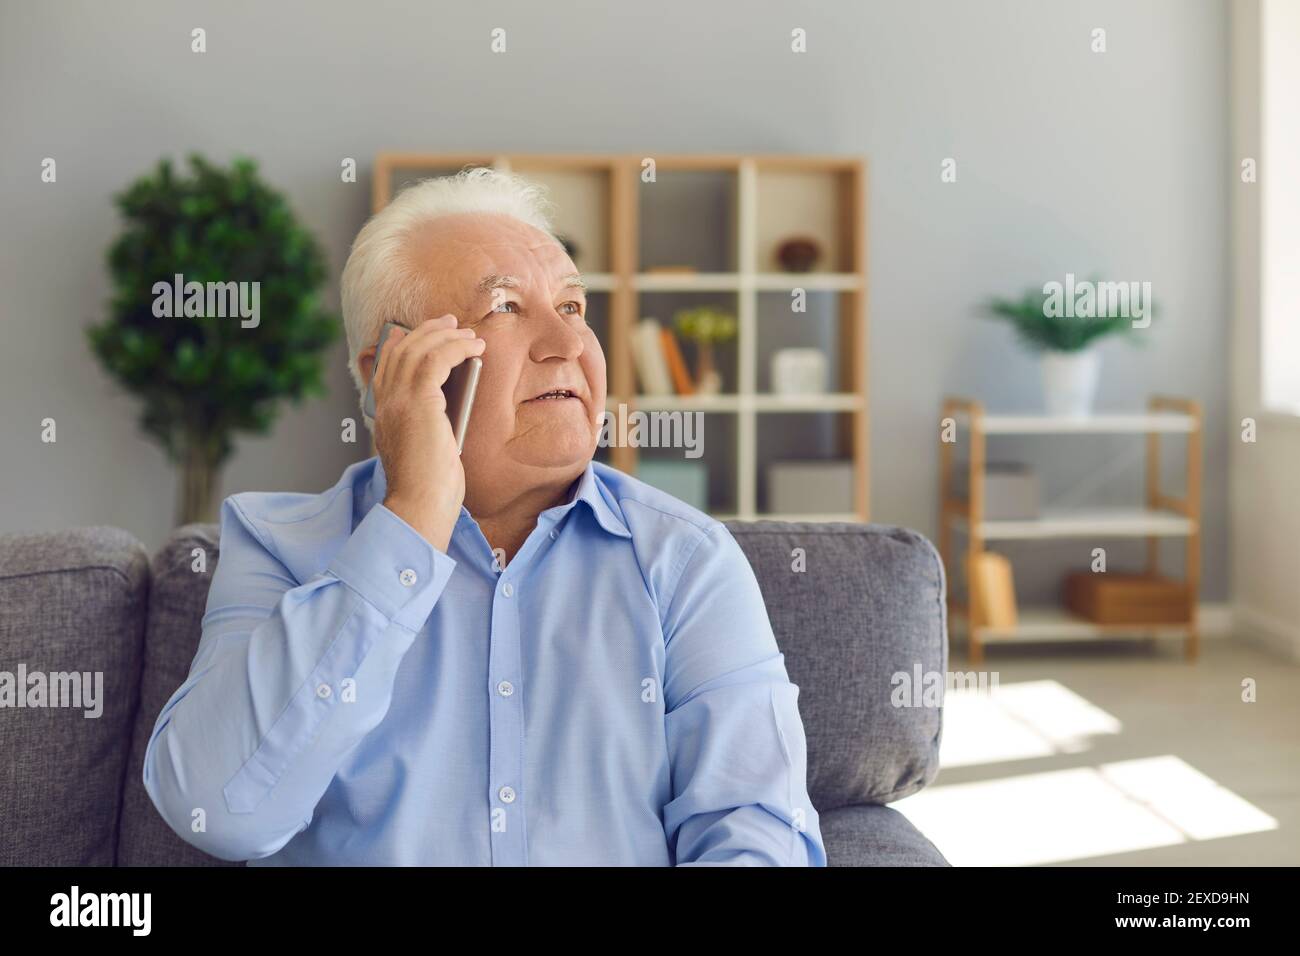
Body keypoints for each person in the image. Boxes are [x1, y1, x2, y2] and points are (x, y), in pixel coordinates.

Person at [143, 167, 826, 866]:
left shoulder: (685, 560)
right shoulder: (278, 548)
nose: (568, 345)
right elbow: (218, 811)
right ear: (392, 372)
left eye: (572, 307)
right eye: (504, 307)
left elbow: (755, 829)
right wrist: (411, 520)